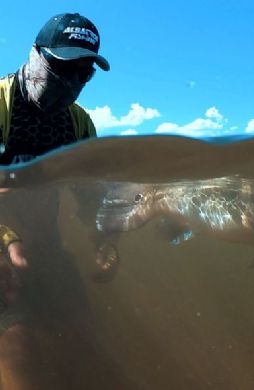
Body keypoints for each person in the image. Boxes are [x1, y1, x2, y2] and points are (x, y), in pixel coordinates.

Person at [0, 13, 120, 389]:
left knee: (91, 353)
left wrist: (105, 241)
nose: (72, 82)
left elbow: (90, 199)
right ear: (35, 54)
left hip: (49, 254)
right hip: (3, 263)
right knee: (19, 357)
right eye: (63, 65)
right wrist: (6, 240)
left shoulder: (80, 126)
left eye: (84, 72)